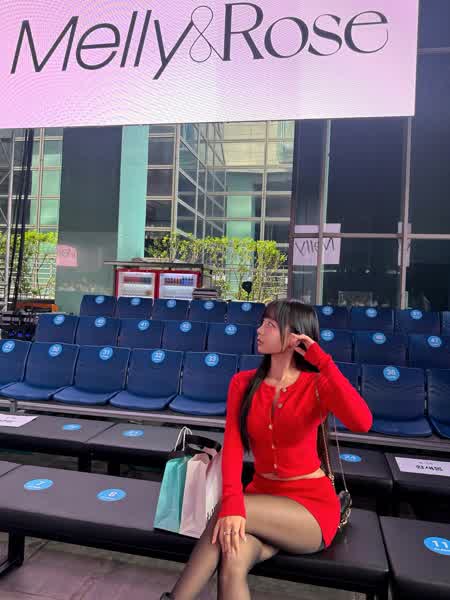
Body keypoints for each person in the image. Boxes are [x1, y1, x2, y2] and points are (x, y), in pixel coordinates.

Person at [161, 299, 372, 600]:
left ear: (296, 337)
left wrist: (323, 361)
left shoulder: (317, 385)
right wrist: (235, 502)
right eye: (262, 322)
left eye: (270, 325)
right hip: (261, 501)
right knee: (232, 557)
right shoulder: (242, 383)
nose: (259, 330)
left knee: (226, 511)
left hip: (309, 509)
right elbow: (233, 448)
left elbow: (362, 422)